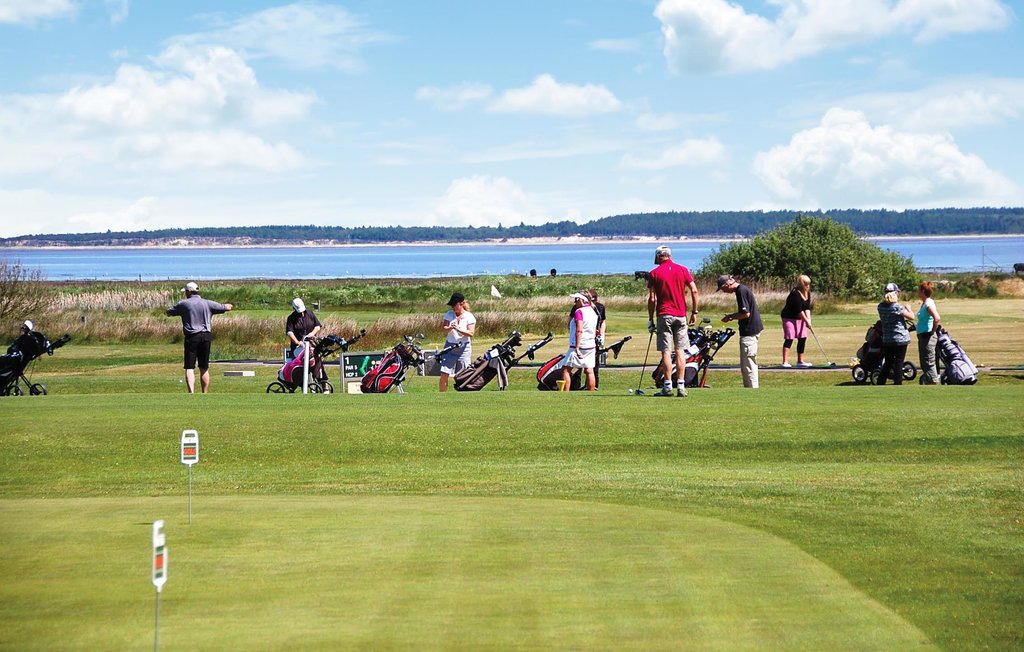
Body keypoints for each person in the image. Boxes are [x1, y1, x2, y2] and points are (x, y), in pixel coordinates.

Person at [647, 246, 699, 397]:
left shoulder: (654, 273)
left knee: (666, 351)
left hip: (664, 315)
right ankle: (681, 386)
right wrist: (694, 312)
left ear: (658, 257)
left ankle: (668, 386)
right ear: (669, 255)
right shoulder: (682, 269)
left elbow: (652, 299)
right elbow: (694, 290)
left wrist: (651, 319)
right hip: (681, 315)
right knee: (680, 350)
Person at [165, 282, 233, 393]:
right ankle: (204, 393)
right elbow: (226, 307)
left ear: (189, 292)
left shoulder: (184, 304)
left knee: (189, 367)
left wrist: (169, 312)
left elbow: (170, 311)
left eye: (186, 292)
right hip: (206, 336)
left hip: (192, 337)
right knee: (204, 367)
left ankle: (191, 393)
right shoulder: (207, 303)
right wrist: (228, 305)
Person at [718, 275, 763, 388]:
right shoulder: (742, 290)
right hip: (750, 330)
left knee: (748, 364)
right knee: (746, 363)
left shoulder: (741, 291)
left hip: (749, 331)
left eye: (723, 288)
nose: (724, 291)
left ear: (727, 284)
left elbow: (745, 314)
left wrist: (730, 317)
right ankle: (749, 388)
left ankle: (752, 389)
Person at [876, 283, 913, 385]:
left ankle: (880, 383)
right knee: (898, 363)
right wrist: (909, 308)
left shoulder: (880, 307)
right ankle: (897, 384)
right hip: (900, 339)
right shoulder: (897, 307)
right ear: (895, 293)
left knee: (888, 363)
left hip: (887, 339)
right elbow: (911, 317)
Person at [285, 297, 327, 390]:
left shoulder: (310, 314)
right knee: (308, 360)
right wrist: (297, 342)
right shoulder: (291, 318)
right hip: (298, 348)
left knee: (316, 359)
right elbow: (290, 332)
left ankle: (323, 383)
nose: (301, 313)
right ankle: (302, 383)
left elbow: (317, 326)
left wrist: (311, 334)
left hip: (311, 344)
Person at [439, 292, 476, 392]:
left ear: (461, 304)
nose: (453, 308)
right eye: (452, 305)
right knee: (444, 373)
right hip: (450, 346)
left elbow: (471, 333)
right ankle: (442, 397)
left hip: (464, 347)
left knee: (464, 374)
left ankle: (463, 396)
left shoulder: (469, 316)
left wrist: (459, 329)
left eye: (455, 305)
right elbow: (445, 328)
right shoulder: (449, 314)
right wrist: (451, 327)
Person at [561, 292, 598, 391]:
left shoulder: (579, 312)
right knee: (589, 370)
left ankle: (565, 393)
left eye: (577, 300)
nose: (575, 302)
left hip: (578, 345)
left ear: (582, 300)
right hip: (590, 344)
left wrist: (577, 347)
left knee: (566, 369)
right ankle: (591, 394)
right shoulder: (593, 311)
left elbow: (579, 330)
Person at [781, 275, 813, 368]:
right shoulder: (795, 293)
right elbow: (799, 310)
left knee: (802, 337)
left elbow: (807, 308)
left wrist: (809, 320)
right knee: (789, 338)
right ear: (801, 284)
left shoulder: (807, 293)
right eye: (805, 284)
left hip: (800, 318)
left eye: (808, 284)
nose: (807, 286)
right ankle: (785, 362)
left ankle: (800, 361)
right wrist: (806, 320)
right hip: (789, 317)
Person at [916, 281, 942, 384]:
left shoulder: (928, 304)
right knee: (924, 362)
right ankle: (928, 381)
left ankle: (933, 381)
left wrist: (932, 331)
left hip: (928, 337)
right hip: (922, 336)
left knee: (929, 361)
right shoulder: (924, 303)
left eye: (919, 290)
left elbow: (937, 318)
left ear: (922, 291)